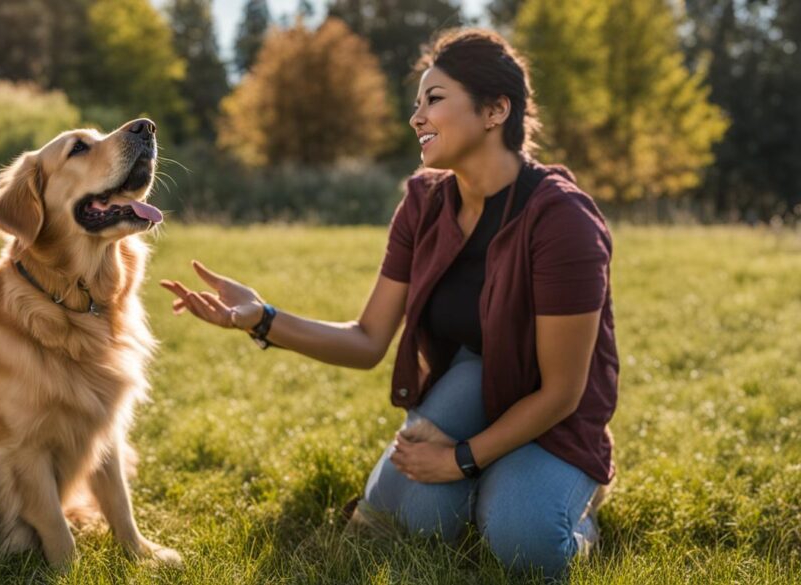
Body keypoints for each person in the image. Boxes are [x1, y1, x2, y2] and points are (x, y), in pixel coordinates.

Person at [160, 28, 618, 579]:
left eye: (435, 99)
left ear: (496, 110)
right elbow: (366, 339)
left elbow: (562, 390)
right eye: (417, 102)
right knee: (415, 526)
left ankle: (576, 508)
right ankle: (494, 489)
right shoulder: (423, 203)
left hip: (552, 407)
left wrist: (460, 460)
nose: (416, 117)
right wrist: (263, 319)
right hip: (475, 381)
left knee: (523, 541)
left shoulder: (561, 218)